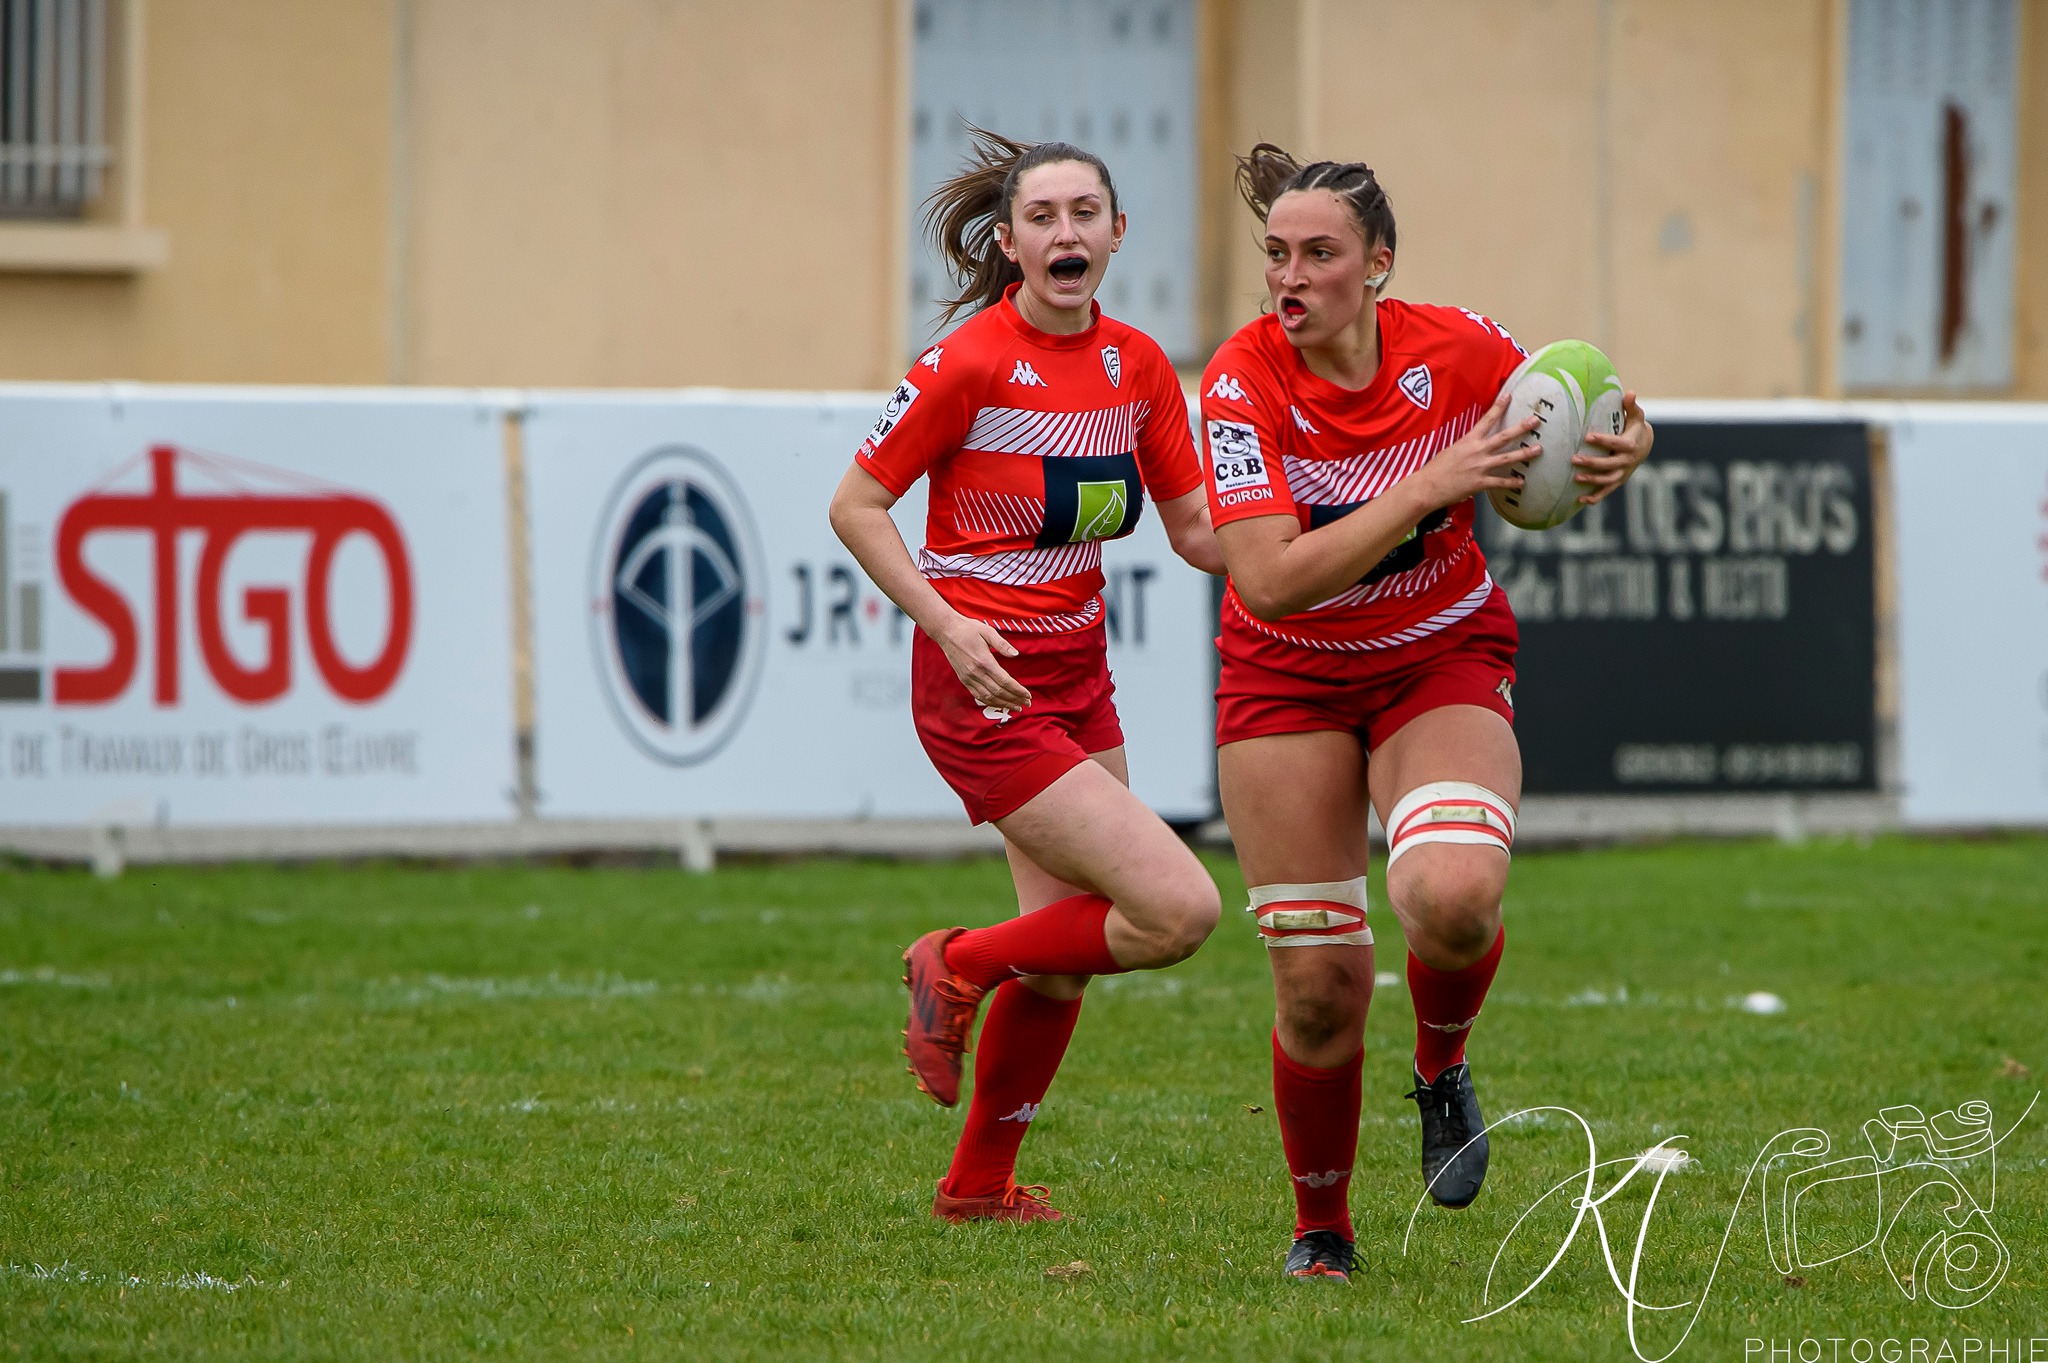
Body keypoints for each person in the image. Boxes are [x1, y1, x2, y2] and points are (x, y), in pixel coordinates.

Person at [1199, 144, 1654, 1281]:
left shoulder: (1458, 349)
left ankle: (1440, 1067)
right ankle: (1322, 1230)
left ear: (1378, 265)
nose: (1287, 277)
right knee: (1317, 987)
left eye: (1317, 253)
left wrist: (1619, 445)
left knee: (1448, 898)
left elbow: (1575, 410)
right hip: (1284, 679)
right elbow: (1266, 579)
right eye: (1274, 255)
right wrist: (1427, 484)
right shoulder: (1236, 382)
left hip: (1435, 660)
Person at [829, 129, 1225, 1225]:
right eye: (1041, 217)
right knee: (1177, 907)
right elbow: (853, 508)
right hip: (982, 686)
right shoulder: (967, 362)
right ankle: (954, 961)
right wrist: (949, 626)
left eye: (1083, 214)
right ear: (1008, 244)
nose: (1065, 233)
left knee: (1064, 960)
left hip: (1076, 680)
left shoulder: (1139, 365)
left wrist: (1333, 534)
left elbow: (1194, 527)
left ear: (1114, 233)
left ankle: (974, 1187)